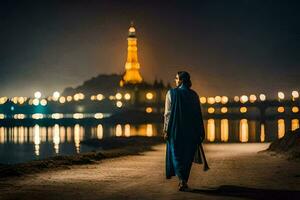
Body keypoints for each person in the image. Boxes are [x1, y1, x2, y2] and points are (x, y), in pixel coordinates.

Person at [163, 71, 206, 191]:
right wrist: (201, 131)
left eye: (176, 78)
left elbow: (168, 114)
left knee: (176, 154)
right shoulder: (194, 95)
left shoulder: (171, 93)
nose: (175, 80)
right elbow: (198, 114)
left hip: (175, 129)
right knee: (187, 156)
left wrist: (166, 130)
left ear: (181, 80)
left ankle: (182, 180)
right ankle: (184, 180)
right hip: (191, 130)